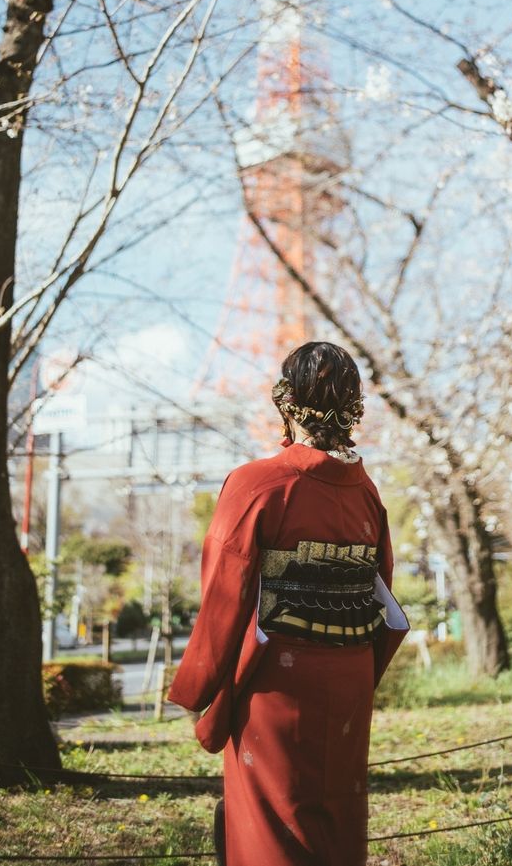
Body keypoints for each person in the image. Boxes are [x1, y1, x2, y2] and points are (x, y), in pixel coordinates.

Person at [168, 341, 408, 866]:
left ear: (286, 404)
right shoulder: (366, 493)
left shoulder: (256, 485)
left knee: (270, 827)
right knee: (337, 817)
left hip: (275, 682)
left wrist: (197, 690)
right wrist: (360, 669)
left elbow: (224, 596)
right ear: (353, 409)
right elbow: (381, 594)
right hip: (347, 679)